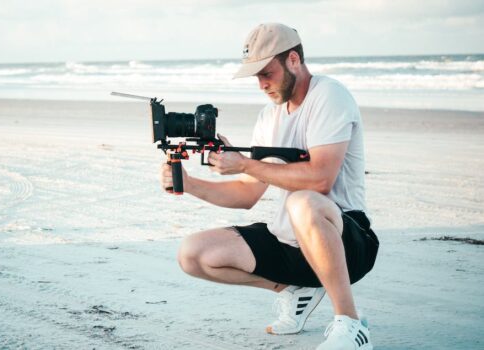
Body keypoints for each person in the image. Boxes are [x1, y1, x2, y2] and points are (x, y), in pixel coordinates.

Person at [160, 23, 379, 350]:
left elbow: (321, 178)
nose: (262, 84)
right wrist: (190, 184)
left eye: (267, 73)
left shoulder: (329, 96)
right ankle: (295, 291)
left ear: (293, 60)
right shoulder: (269, 116)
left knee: (302, 203)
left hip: (348, 240)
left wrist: (246, 164)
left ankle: (350, 325)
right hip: (292, 243)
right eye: (256, 76)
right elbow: (247, 193)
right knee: (193, 254)